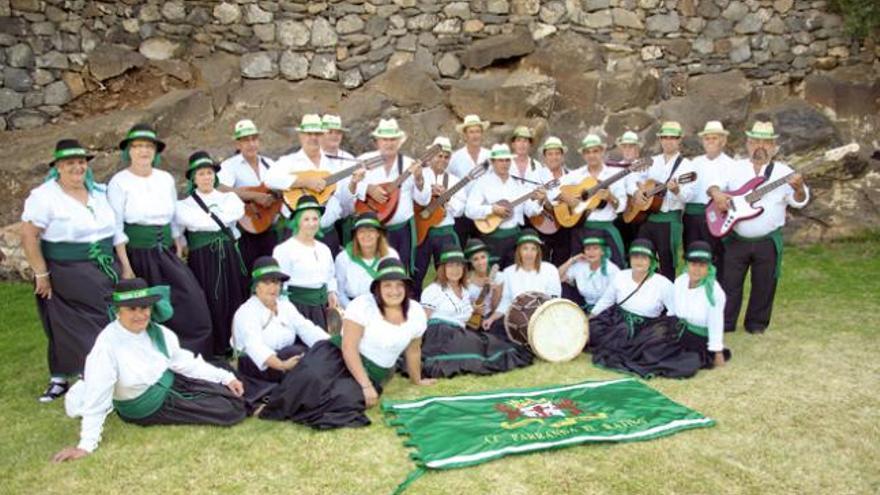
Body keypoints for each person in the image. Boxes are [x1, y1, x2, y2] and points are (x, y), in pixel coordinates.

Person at [53, 278, 246, 462]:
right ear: (118, 311)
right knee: (228, 411)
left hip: (170, 382)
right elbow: (98, 394)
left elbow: (184, 363)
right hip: (149, 405)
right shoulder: (107, 346)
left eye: (144, 308)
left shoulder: (158, 332)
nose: (140, 315)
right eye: (132, 309)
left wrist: (226, 378)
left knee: (226, 374)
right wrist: (86, 445)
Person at [257, 258, 435, 428]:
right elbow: (349, 348)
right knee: (311, 377)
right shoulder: (363, 305)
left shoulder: (416, 313)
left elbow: (413, 350)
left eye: (399, 285)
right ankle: (273, 406)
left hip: (372, 371)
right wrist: (365, 386)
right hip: (337, 355)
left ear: (406, 288)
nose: (393, 291)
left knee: (344, 400)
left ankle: (300, 410)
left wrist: (416, 380)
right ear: (378, 288)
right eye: (387, 285)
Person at [20, 139, 132, 402]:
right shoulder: (44, 196)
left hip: (105, 265)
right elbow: (28, 236)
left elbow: (116, 233)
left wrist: (126, 267)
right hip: (67, 270)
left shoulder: (100, 193)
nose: (77, 167)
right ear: (58, 166)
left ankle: (102, 372)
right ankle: (79, 376)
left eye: (81, 162)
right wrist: (41, 273)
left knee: (110, 316)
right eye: (70, 163)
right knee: (74, 323)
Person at [107, 123, 214, 358]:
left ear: (155, 151)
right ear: (129, 151)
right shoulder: (119, 182)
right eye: (138, 147)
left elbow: (173, 215)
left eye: (148, 146)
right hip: (137, 253)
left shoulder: (164, 179)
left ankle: (192, 353)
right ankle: (151, 355)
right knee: (146, 306)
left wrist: (178, 243)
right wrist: (125, 265)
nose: (143, 151)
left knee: (190, 297)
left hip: (165, 251)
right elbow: (116, 225)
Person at [708, 121, 809, 333]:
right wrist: (717, 195)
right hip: (736, 239)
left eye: (765, 142)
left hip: (766, 241)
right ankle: (726, 322)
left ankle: (756, 324)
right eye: (755, 142)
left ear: (773, 147)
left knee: (764, 284)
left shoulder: (784, 172)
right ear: (748, 144)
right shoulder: (735, 167)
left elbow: (799, 201)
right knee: (730, 284)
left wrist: (799, 188)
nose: (759, 147)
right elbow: (714, 185)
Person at [419, 244, 532, 378]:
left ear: (464, 268)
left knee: (491, 343)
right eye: (450, 266)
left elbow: (470, 322)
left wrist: (476, 311)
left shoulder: (465, 291)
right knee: (478, 348)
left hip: (460, 332)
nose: (455, 270)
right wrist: (419, 347)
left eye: (458, 265)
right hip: (440, 335)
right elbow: (422, 320)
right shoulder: (433, 289)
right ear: (442, 269)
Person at [174, 151, 247, 358]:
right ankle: (216, 346)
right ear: (193, 179)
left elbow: (236, 212)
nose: (206, 177)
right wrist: (217, 221)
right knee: (211, 298)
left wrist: (214, 221)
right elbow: (193, 223)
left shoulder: (229, 197)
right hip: (204, 257)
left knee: (234, 294)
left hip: (229, 254)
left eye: (209, 173)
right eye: (201, 174)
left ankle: (237, 342)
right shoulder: (184, 205)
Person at [231, 257, 329, 407]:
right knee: (299, 356)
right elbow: (255, 347)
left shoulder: (285, 306)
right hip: (258, 366)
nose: (273, 288)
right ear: (256, 286)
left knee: (311, 352)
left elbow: (306, 328)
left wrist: (331, 345)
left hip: (286, 356)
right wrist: (282, 365)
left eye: (276, 282)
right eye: (267, 282)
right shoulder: (246, 312)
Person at [266, 114, 359, 257]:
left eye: (317, 134)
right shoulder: (289, 161)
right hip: (296, 235)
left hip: (328, 234)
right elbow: (270, 179)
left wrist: (353, 183)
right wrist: (305, 182)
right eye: (309, 134)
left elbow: (343, 200)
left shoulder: (333, 164)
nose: (313, 138)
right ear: (301, 136)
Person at [354, 118, 430, 275]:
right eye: (385, 139)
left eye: (393, 139)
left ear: (399, 141)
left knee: (399, 271)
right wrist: (367, 189)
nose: (389, 143)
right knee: (370, 271)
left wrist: (419, 179)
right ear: (377, 141)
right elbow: (349, 190)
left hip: (401, 230)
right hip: (372, 228)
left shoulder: (409, 164)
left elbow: (423, 200)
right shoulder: (364, 161)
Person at [629, 121, 695, 280]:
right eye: (664, 137)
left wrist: (676, 189)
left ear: (679, 140)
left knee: (667, 264)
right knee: (642, 258)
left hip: (669, 219)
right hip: (648, 218)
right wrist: (636, 191)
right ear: (660, 140)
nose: (668, 141)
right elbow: (632, 175)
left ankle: (667, 301)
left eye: (672, 138)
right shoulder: (651, 160)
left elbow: (688, 196)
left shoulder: (687, 166)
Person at [465, 143, 547, 268]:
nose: (504, 164)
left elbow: (530, 211)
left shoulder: (518, 183)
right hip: (491, 237)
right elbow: (469, 210)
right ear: (493, 162)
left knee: (514, 273)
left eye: (507, 160)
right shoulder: (482, 183)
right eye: (500, 160)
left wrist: (540, 201)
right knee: (494, 275)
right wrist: (492, 209)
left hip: (515, 238)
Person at [217, 119, 279, 279]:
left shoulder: (270, 164)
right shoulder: (230, 166)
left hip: (271, 226)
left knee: (272, 272)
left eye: (254, 139)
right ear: (238, 144)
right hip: (246, 228)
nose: (251, 144)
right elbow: (221, 188)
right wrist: (255, 196)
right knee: (249, 275)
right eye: (246, 140)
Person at [556, 134, 627, 268]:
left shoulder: (614, 175)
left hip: (606, 229)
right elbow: (552, 190)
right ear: (583, 155)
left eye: (595, 151)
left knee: (617, 269)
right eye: (588, 152)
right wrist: (567, 198)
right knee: (579, 270)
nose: (592, 155)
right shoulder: (575, 175)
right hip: (581, 230)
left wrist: (611, 198)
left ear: (602, 152)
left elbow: (622, 206)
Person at [272, 194, 338, 329]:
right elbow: (280, 286)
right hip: (297, 308)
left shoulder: (324, 249)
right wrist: (287, 315)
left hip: (321, 308)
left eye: (315, 219)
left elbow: (330, 275)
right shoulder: (284, 249)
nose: (311, 223)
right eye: (306, 219)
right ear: (297, 221)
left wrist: (331, 292)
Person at [483, 230, 562, 339]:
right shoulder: (508, 272)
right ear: (519, 251)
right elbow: (506, 301)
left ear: (538, 252)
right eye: (525, 248)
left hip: (543, 316)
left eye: (533, 249)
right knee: (494, 328)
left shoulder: (550, 269)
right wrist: (492, 318)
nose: (529, 253)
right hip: (517, 319)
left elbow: (554, 298)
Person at [686, 121, 736, 277]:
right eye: (707, 138)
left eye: (714, 138)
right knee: (692, 254)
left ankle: (715, 293)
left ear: (723, 141)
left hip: (716, 215)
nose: (710, 142)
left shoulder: (731, 165)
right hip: (693, 215)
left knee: (715, 257)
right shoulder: (694, 163)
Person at [414, 136, 465, 290]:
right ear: (431, 155)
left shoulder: (455, 181)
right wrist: (427, 189)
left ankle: (448, 305)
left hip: (445, 232)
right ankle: (413, 305)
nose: (442, 159)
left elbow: (460, 210)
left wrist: (447, 198)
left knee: (449, 275)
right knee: (417, 272)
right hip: (422, 231)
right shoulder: (419, 174)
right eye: (439, 155)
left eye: (446, 157)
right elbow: (415, 199)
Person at [673, 241, 730, 368]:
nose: (697, 270)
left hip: (698, 339)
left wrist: (717, 352)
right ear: (687, 264)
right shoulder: (680, 281)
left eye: (702, 265)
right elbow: (673, 309)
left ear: (709, 267)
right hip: (679, 332)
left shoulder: (714, 292)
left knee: (685, 365)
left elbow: (716, 322)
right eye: (693, 264)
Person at [334, 212, 399, 308]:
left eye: (371, 230)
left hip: (383, 306)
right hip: (353, 306)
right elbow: (340, 292)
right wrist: (354, 311)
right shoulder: (343, 258)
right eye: (361, 231)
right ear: (356, 235)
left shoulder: (391, 255)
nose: (366, 235)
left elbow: (396, 287)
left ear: (378, 234)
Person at [448, 114, 491, 245]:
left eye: (478, 131)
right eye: (471, 132)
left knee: (485, 251)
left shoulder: (489, 156)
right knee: (460, 251)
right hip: (462, 213)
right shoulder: (455, 158)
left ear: (482, 134)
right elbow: (449, 181)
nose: (475, 135)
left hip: (484, 212)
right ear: (465, 135)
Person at [558, 231, 621, 313]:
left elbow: (612, 298)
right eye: (588, 249)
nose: (591, 252)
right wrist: (572, 260)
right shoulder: (580, 266)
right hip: (586, 308)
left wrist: (592, 315)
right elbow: (557, 278)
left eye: (595, 248)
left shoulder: (612, 270)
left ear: (602, 251)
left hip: (608, 311)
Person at [534, 136, 572, 266]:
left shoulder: (571, 176)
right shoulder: (535, 176)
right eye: (550, 154)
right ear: (545, 157)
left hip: (565, 226)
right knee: (541, 263)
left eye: (557, 153)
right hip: (543, 224)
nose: (554, 157)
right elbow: (531, 203)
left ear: (562, 156)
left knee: (562, 262)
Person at [614, 131, 643, 253]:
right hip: (619, 214)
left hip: (638, 215)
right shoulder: (614, 168)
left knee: (637, 249)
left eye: (631, 146)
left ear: (637, 149)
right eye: (624, 146)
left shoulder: (644, 166)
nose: (627, 150)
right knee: (620, 249)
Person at [464, 238, 502, 328]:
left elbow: (496, 308)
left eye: (483, 257)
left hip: (492, 318)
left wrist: (496, 291)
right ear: (471, 261)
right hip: (471, 321)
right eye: (476, 259)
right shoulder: (466, 280)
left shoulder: (498, 276)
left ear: (488, 257)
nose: (481, 262)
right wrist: (472, 309)